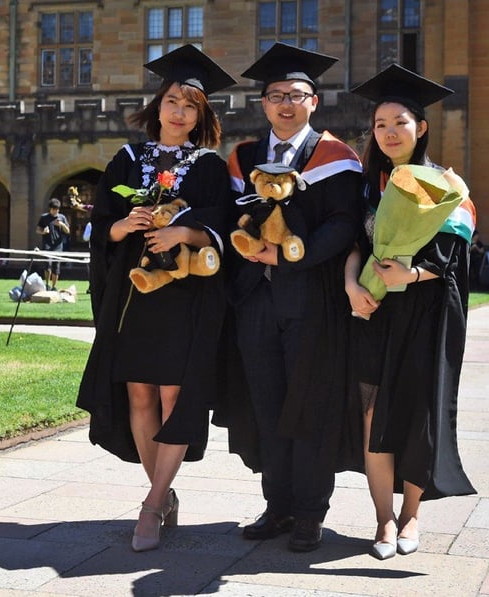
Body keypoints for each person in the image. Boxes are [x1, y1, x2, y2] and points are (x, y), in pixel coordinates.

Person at [77, 44, 234, 552]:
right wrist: (122, 226)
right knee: (139, 393)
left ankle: (150, 506)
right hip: (133, 298)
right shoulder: (126, 159)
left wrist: (184, 234)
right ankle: (160, 494)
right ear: (158, 105)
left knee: (173, 394)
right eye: (172, 101)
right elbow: (101, 223)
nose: (178, 112)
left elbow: (224, 224)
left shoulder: (210, 165)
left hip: (185, 298)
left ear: (200, 115)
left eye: (190, 105)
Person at [212, 42, 364, 553]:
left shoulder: (336, 158)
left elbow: (345, 225)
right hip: (255, 302)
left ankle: (309, 513)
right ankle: (277, 506)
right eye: (275, 95)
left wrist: (288, 257)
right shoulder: (244, 158)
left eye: (296, 95)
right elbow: (230, 220)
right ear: (263, 103)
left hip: (312, 302)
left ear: (313, 102)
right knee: (267, 404)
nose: (285, 103)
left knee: (310, 404)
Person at [345, 64, 478, 560]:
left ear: (420, 127)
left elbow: (453, 258)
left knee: (417, 416)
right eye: (380, 125)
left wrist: (412, 274)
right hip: (372, 311)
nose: (389, 133)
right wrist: (349, 282)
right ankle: (382, 522)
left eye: (399, 122)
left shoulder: (446, 185)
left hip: (424, 314)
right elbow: (352, 243)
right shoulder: (364, 186)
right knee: (372, 413)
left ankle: (411, 517)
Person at [37, 197, 70, 290]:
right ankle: (47, 284)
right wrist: (43, 232)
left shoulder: (62, 218)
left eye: (57, 210)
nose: (55, 211)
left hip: (58, 245)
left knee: (56, 266)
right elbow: (38, 230)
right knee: (47, 264)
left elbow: (68, 231)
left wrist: (62, 225)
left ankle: (54, 286)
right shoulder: (44, 217)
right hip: (47, 244)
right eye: (54, 209)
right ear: (50, 209)